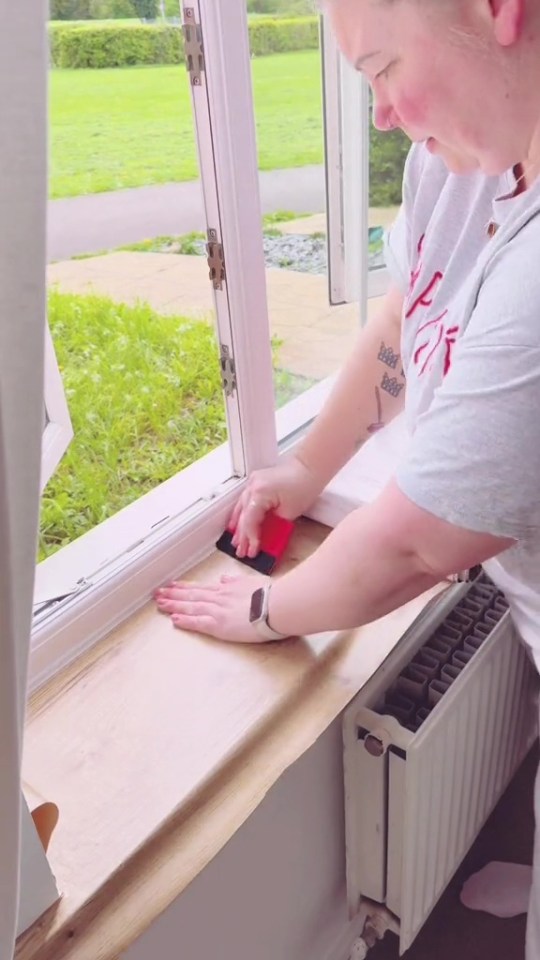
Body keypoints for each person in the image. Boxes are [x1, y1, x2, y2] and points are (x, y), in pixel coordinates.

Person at [155, 0, 540, 953]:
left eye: (379, 68)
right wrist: (305, 466)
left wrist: (258, 614)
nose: (377, 115)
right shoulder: (462, 158)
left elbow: (421, 539)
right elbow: (404, 322)